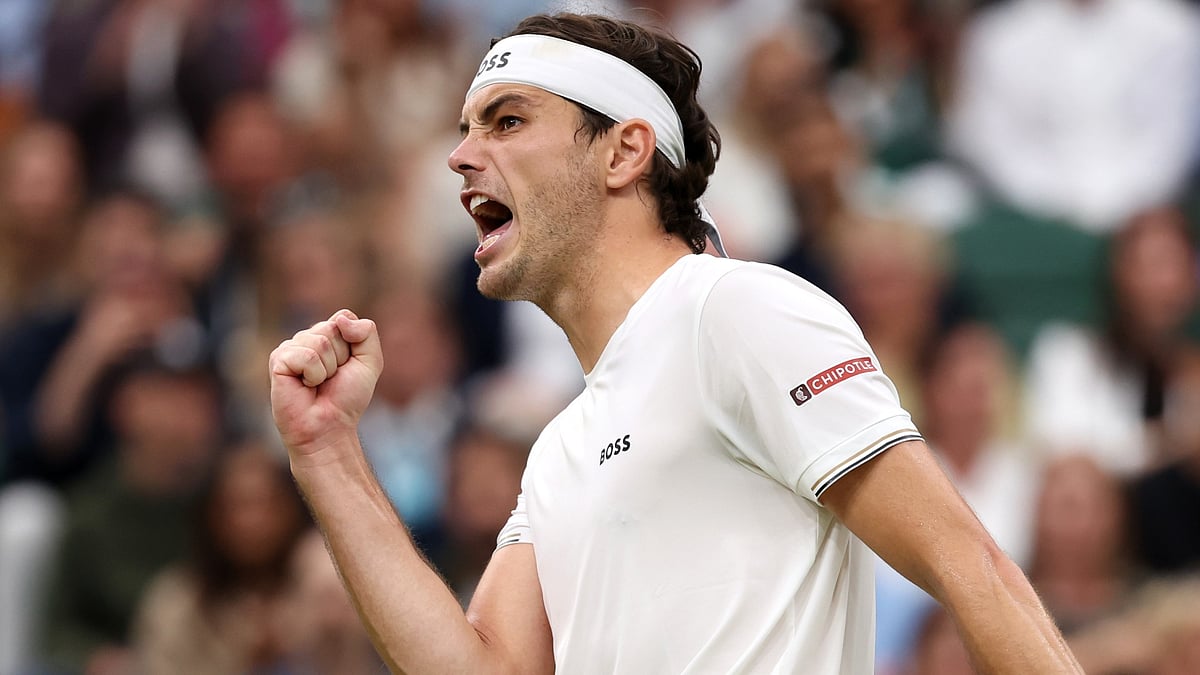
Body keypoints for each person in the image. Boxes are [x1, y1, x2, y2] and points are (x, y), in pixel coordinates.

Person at [269, 12, 1082, 673]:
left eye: (508, 121)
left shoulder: (737, 312)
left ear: (624, 151)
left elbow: (970, 566)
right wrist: (328, 452)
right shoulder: (560, 445)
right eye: (467, 128)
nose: (461, 156)